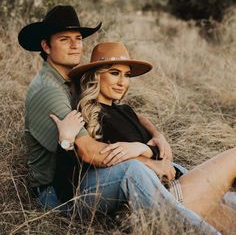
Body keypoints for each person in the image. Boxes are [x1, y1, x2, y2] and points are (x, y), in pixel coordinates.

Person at [51, 42, 236, 234]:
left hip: (171, 184)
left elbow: (156, 148)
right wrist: (148, 157)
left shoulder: (125, 111)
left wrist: (152, 142)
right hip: (160, 199)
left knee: (230, 208)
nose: (122, 82)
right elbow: (103, 158)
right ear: (96, 75)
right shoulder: (86, 114)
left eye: (127, 75)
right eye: (115, 73)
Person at [18, 5, 173, 211]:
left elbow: (127, 112)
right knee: (134, 170)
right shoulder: (49, 90)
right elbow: (90, 152)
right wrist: (150, 161)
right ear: (46, 46)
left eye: (78, 39)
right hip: (57, 193)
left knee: (179, 174)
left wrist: (156, 135)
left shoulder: (69, 79)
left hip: (82, 175)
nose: (75, 46)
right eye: (65, 39)